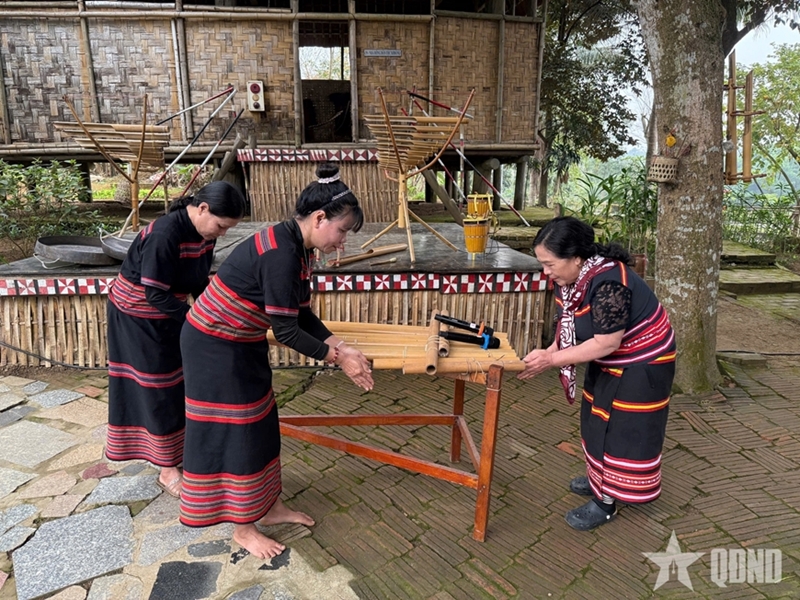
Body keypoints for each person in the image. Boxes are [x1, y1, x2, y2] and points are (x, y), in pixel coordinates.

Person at [179, 163, 374, 559]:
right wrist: (338, 358)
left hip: (242, 343)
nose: (342, 242)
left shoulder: (297, 247)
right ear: (319, 218)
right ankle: (243, 528)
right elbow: (286, 332)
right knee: (238, 435)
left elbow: (300, 314)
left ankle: (268, 506)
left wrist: (341, 346)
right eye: (341, 231)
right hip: (213, 347)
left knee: (262, 426)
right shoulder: (281, 253)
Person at [518, 216, 676, 531]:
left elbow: (607, 342)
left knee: (621, 429)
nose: (545, 272)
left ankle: (606, 503)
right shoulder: (573, 278)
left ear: (576, 258)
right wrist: (550, 351)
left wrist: (551, 360)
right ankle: (600, 480)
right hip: (610, 357)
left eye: (549, 264)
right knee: (596, 418)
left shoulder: (608, 283)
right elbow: (570, 325)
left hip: (644, 360)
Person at [105, 181, 246, 497]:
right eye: (221, 226)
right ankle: (167, 469)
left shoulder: (204, 234)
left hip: (169, 313)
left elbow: (198, 281)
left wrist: (218, 310)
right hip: (136, 318)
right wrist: (199, 321)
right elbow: (154, 294)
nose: (223, 233)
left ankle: (184, 449)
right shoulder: (165, 234)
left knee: (181, 383)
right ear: (202, 209)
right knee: (157, 388)